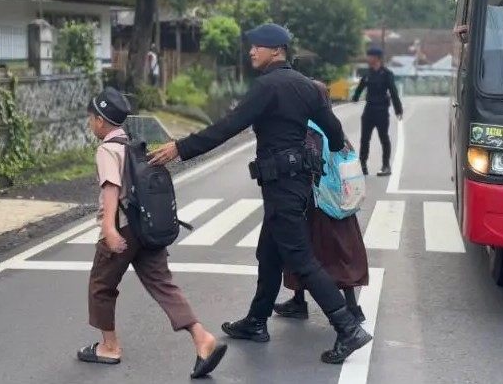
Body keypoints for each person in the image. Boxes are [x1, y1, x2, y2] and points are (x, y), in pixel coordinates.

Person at [147, 23, 372, 365]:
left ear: (276, 50)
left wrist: (180, 147)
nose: (251, 51)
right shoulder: (307, 88)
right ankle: (256, 321)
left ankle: (346, 327)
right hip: (298, 184)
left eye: (257, 46)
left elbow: (227, 127)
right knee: (268, 252)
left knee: (300, 257)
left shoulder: (267, 87)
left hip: (282, 185)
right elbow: (336, 134)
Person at [78, 86, 227, 379]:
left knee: (100, 285)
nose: (90, 124)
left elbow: (110, 188)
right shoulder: (135, 147)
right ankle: (202, 338)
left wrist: (108, 227)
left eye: (91, 118)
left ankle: (109, 347)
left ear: (99, 120)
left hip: (122, 228)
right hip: (148, 230)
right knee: (163, 285)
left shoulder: (108, 149)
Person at [274, 80, 370, 323]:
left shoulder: (309, 128)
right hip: (340, 202)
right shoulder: (332, 125)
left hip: (316, 203)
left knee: (307, 250)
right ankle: (349, 305)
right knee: (342, 251)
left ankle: (307, 303)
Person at [351, 46, 403, 176]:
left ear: (376, 58)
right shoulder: (368, 74)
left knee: (384, 138)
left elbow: (393, 92)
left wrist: (398, 110)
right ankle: (363, 164)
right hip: (369, 109)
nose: (368, 58)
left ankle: (386, 166)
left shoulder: (386, 74)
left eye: (370, 56)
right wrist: (355, 97)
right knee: (364, 139)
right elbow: (360, 88)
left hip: (381, 110)